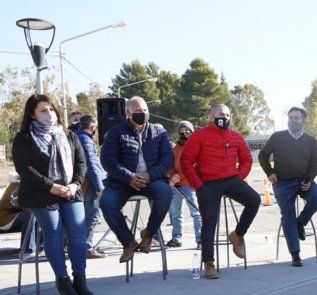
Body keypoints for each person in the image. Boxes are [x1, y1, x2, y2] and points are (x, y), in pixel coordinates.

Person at [12, 94, 91, 295]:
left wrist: (74, 184)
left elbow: (81, 163)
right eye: (43, 110)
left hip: (70, 191)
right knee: (53, 234)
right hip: (40, 193)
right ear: (32, 115)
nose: (49, 114)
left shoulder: (69, 135)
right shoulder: (24, 138)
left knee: (77, 235)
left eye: (51, 109)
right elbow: (25, 169)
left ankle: (80, 279)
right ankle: (63, 280)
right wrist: (52, 187)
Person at [181, 104, 259, 279]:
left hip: (232, 180)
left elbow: (247, 160)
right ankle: (209, 263)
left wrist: (239, 176)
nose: (224, 117)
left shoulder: (236, 136)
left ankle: (237, 235)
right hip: (207, 183)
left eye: (227, 115)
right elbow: (186, 161)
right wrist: (198, 185)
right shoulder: (199, 135)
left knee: (254, 200)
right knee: (209, 222)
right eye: (220, 114)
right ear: (211, 117)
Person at [99, 96, 173, 264]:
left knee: (165, 194)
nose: (143, 113)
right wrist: (129, 177)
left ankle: (148, 234)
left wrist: (150, 175)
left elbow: (167, 158)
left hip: (151, 179)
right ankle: (128, 242)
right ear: (128, 112)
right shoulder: (115, 132)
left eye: (145, 110)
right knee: (107, 203)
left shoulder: (159, 132)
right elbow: (108, 160)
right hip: (122, 182)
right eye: (138, 110)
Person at [259, 107, 317, 267]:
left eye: (296, 118)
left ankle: (300, 222)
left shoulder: (310, 141)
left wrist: (309, 179)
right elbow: (263, 155)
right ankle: (295, 254)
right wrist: (269, 172)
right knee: (288, 214)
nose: (293, 121)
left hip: (303, 181)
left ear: (303, 121)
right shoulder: (277, 137)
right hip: (283, 183)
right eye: (290, 118)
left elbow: (315, 164)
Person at [76, 115, 108, 259]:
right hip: (90, 184)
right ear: (93, 127)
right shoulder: (85, 140)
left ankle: (81, 246)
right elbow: (91, 165)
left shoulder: (77, 137)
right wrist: (99, 186)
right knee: (92, 216)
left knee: (83, 217)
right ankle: (87, 248)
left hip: (84, 183)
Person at [166, 120, 202, 250]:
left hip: (190, 185)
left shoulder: (196, 147)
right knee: (176, 214)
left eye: (187, 130)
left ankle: (200, 239)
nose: (184, 132)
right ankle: (177, 238)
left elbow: (195, 166)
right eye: (182, 130)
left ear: (192, 132)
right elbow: (169, 165)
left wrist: (179, 176)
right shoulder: (174, 148)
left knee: (195, 212)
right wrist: (172, 175)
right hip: (176, 186)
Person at [0, 174, 37, 255]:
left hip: (11, 215)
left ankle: (38, 246)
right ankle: (27, 250)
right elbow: (26, 207)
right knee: (30, 217)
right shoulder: (16, 187)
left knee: (37, 215)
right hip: (4, 219)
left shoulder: (18, 186)